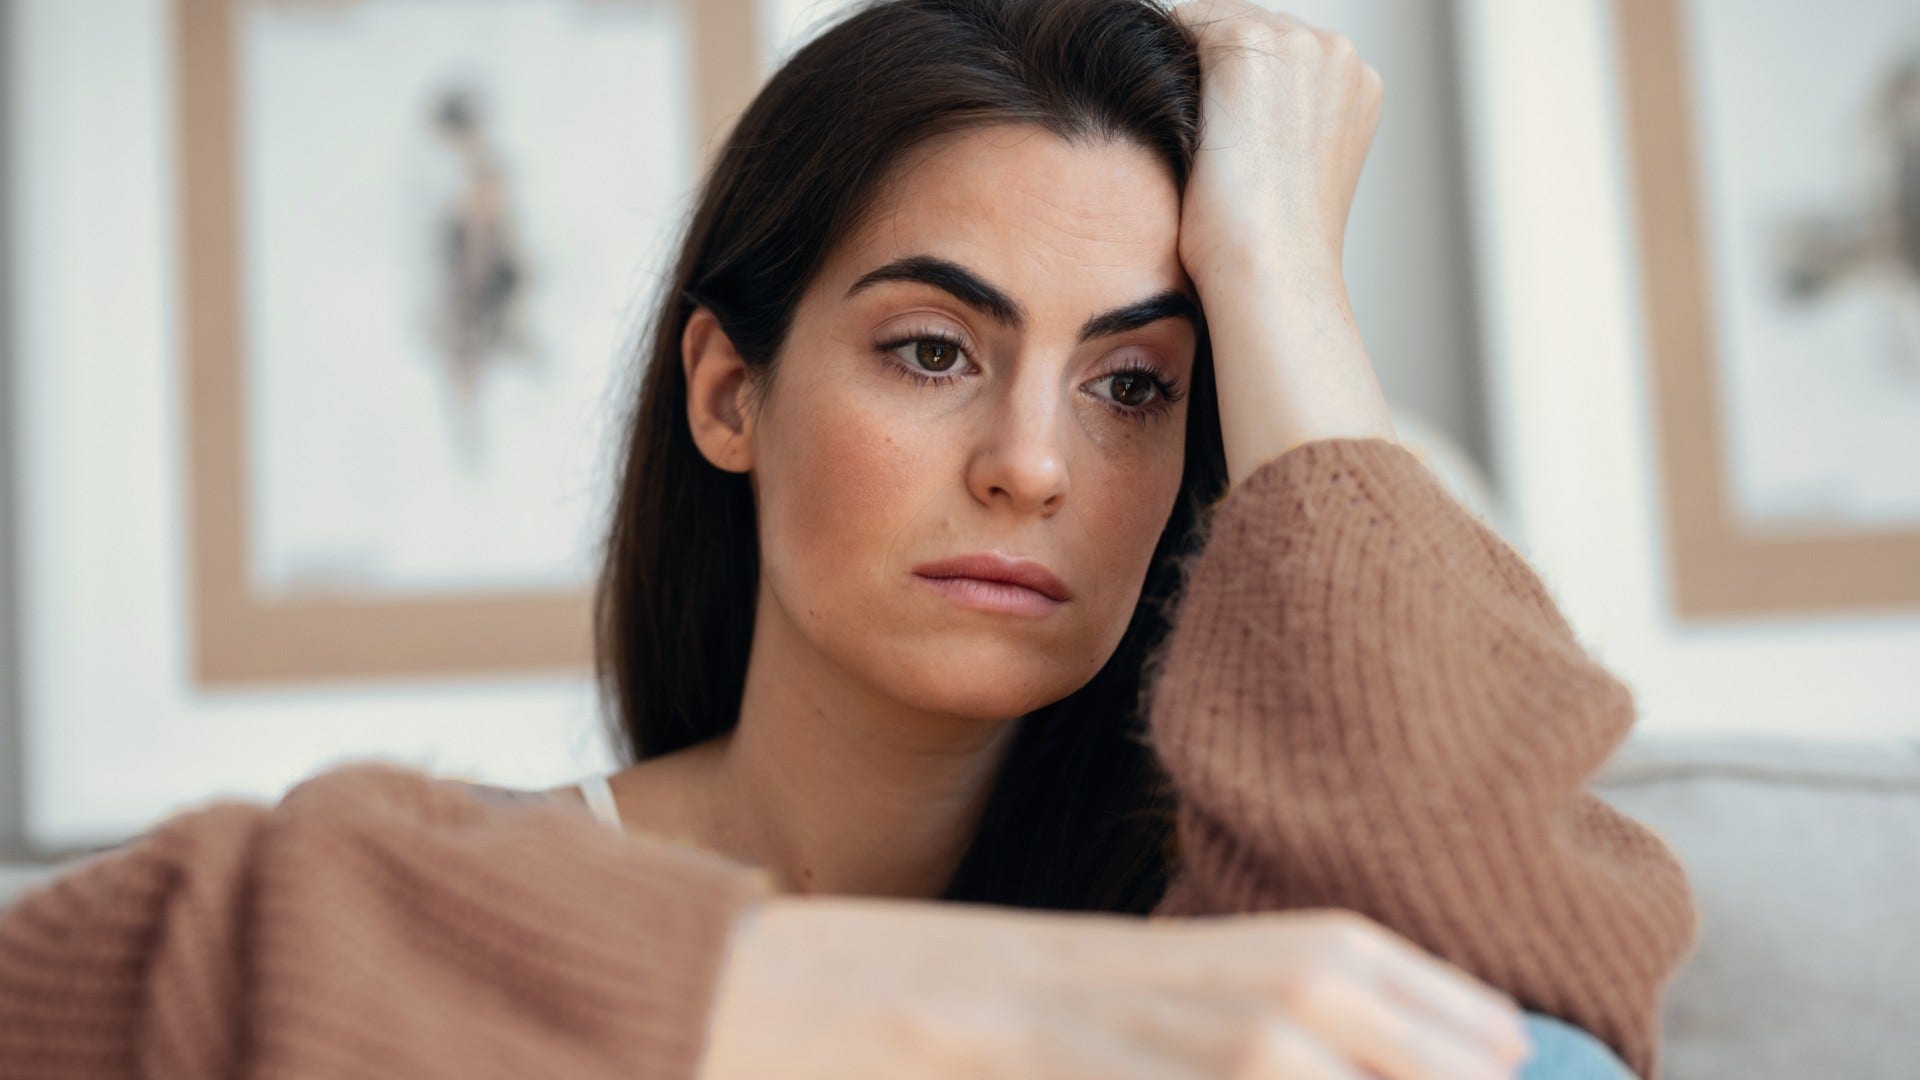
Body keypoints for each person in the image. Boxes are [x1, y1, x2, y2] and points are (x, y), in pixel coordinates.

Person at [0, 2, 1694, 1078]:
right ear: (729, 394)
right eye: (934, 352)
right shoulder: (455, 935)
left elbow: (1524, 997)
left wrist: (1283, 271)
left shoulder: (1228, 949)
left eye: (1134, 387)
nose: (1030, 466)